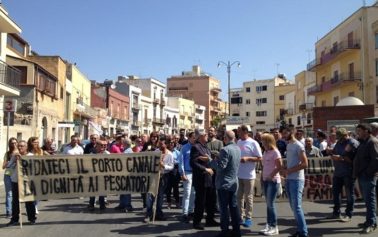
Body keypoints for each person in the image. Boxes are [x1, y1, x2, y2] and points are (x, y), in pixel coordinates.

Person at [209, 130, 241, 237]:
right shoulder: (237, 148)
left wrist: (210, 160)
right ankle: (237, 230)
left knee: (224, 209)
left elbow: (220, 167)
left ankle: (225, 231)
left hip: (224, 183)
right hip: (233, 182)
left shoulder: (225, 149)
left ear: (226, 138)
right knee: (234, 207)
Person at [281, 127, 308, 237]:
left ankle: (303, 233)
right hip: (289, 179)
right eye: (282, 133)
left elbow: (305, 164)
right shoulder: (288, 145)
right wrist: (285, 169)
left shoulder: (298, 145)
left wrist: (288, 170)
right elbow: (292, 162)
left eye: (285, 132)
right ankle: (300, 230)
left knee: (297, 207)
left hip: (297, 180)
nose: (283, 134)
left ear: (292, 132)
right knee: (293, 206)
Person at [327, 128, 359, 222]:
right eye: (338, 138)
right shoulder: (339, 142)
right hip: (338, 172)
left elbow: (354, 160)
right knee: (336, 193)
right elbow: (336, 151)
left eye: (340, 138)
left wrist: (341, 159)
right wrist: (331, 151)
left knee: (349, 194)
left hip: (348, 173)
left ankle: (349, 214)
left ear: (346, 135)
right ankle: (336, 213)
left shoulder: (353, 143)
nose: (339, 140)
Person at [190, 130, 218, 230]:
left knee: (211, 200)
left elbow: (207, 159)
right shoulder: (195, 147)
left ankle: (210, 219)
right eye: (205, 134)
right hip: (201, 178)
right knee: (200, 201)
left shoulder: (205, 146)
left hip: (210, 178)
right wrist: (205, 168)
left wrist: (210, 160)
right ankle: (197, 222)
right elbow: (193, 162)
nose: (207, 136)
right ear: (200, 136)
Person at [353, 124, 378, 234]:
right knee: (367, 201)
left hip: (368, 176)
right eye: (357, 130)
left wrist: (368, 172)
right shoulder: (363, 142)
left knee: (370, 201)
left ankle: (372, 223)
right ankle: (369, 221)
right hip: (362, 175)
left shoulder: (372, 142)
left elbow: (376, 160)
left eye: (359, 130)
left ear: (367, 131)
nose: (358, 132)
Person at [237, 125, 262, 228]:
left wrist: (247, 158)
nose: (238, 133)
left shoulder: (253, 143)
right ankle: (240, 216)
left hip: (249, 175)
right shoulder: (238, 142)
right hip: (239, 174)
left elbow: (259, 158)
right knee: (239, 197)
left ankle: (248, 217)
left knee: (248, 197)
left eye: (239, 131)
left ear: (245, 132)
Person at [6, 140, 37, 226]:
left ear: (26, 147)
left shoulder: (31, 156)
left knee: (29, 200)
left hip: (27, 181)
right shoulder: (14, 156)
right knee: (15, 201)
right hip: (15, 180)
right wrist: (15, 161)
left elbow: (34, 168)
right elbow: (8, 167)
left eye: (22, 146)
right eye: (19, 146)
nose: (20, 148)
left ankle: (32, 218)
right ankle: (15, 219)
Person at [144, 136, 174, 222]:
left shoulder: (170, 155)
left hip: (164, 177)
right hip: (154, 176)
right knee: (150, 195)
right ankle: (148, 214)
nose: (160, 145)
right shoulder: (156, 152)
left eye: (162, 144)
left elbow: (171, 167)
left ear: (166, 144)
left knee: (160, 196)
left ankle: (158, 213)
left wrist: (164, 166)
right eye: (159, 144)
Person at [259, 133, 283, 236]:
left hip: (272, 181)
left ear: (268, 141)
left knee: (271, 205)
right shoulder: (266, 152)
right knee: (268, 205)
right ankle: (269, 225)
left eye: (263, 140)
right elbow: (264, 166)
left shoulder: (275, 152)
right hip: (265, 180)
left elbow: (279, 166)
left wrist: (271, 175)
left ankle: (274, 226)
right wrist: (262, 178)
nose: (262, 142)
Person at [178, 132, 196, 223]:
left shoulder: (197, 147)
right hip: (187, 173)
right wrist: (182, 173)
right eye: (193, 137)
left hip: (195, 173)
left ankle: (191, 211)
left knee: (193, 193)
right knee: (187, 193)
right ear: (189, 138)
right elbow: (181, 161)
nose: (194, 139)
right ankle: (184, 213)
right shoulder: (184, 148)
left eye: (195, 138)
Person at [88, 139, 109, 211]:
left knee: (102, 191)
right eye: (102, 145)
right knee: (92, 191)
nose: (103, 147)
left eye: (105, 145)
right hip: (93, 175)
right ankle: (91, 204)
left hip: (103, 176)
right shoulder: (92, 154)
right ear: (97, 145)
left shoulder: (107, 154)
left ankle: (102, 204)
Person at [115, 138, 133, 212]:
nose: (122, 144)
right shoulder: (126, 151)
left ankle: (128, 205)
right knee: (122, 190)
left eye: (123, 143)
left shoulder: (128, 152)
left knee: (126, 190)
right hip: (123, 173)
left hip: (126, 174)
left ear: (125, 144)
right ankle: (122, 204)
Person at [2, 138, 18, 218]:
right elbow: (3, 166)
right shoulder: (7, 154)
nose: (14, 145)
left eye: (15, 143)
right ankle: (9, 211)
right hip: (8, 174)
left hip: (17, 175)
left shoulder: (20, 153)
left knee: (17, 194)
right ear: (10, 144)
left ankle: (15, 211)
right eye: (12, 143)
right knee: (9, 194)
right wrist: (8, 163)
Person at [166, 137, 181, 209]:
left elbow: (180, 161)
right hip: (167, 171)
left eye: (173, 143)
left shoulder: (177, 152)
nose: (171, 144)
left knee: (176, 188)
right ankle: (169, 203)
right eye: (170, 142)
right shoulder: (166, 151)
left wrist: (173, 161)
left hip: (175, 171)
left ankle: (177, 202)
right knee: (168, 188)